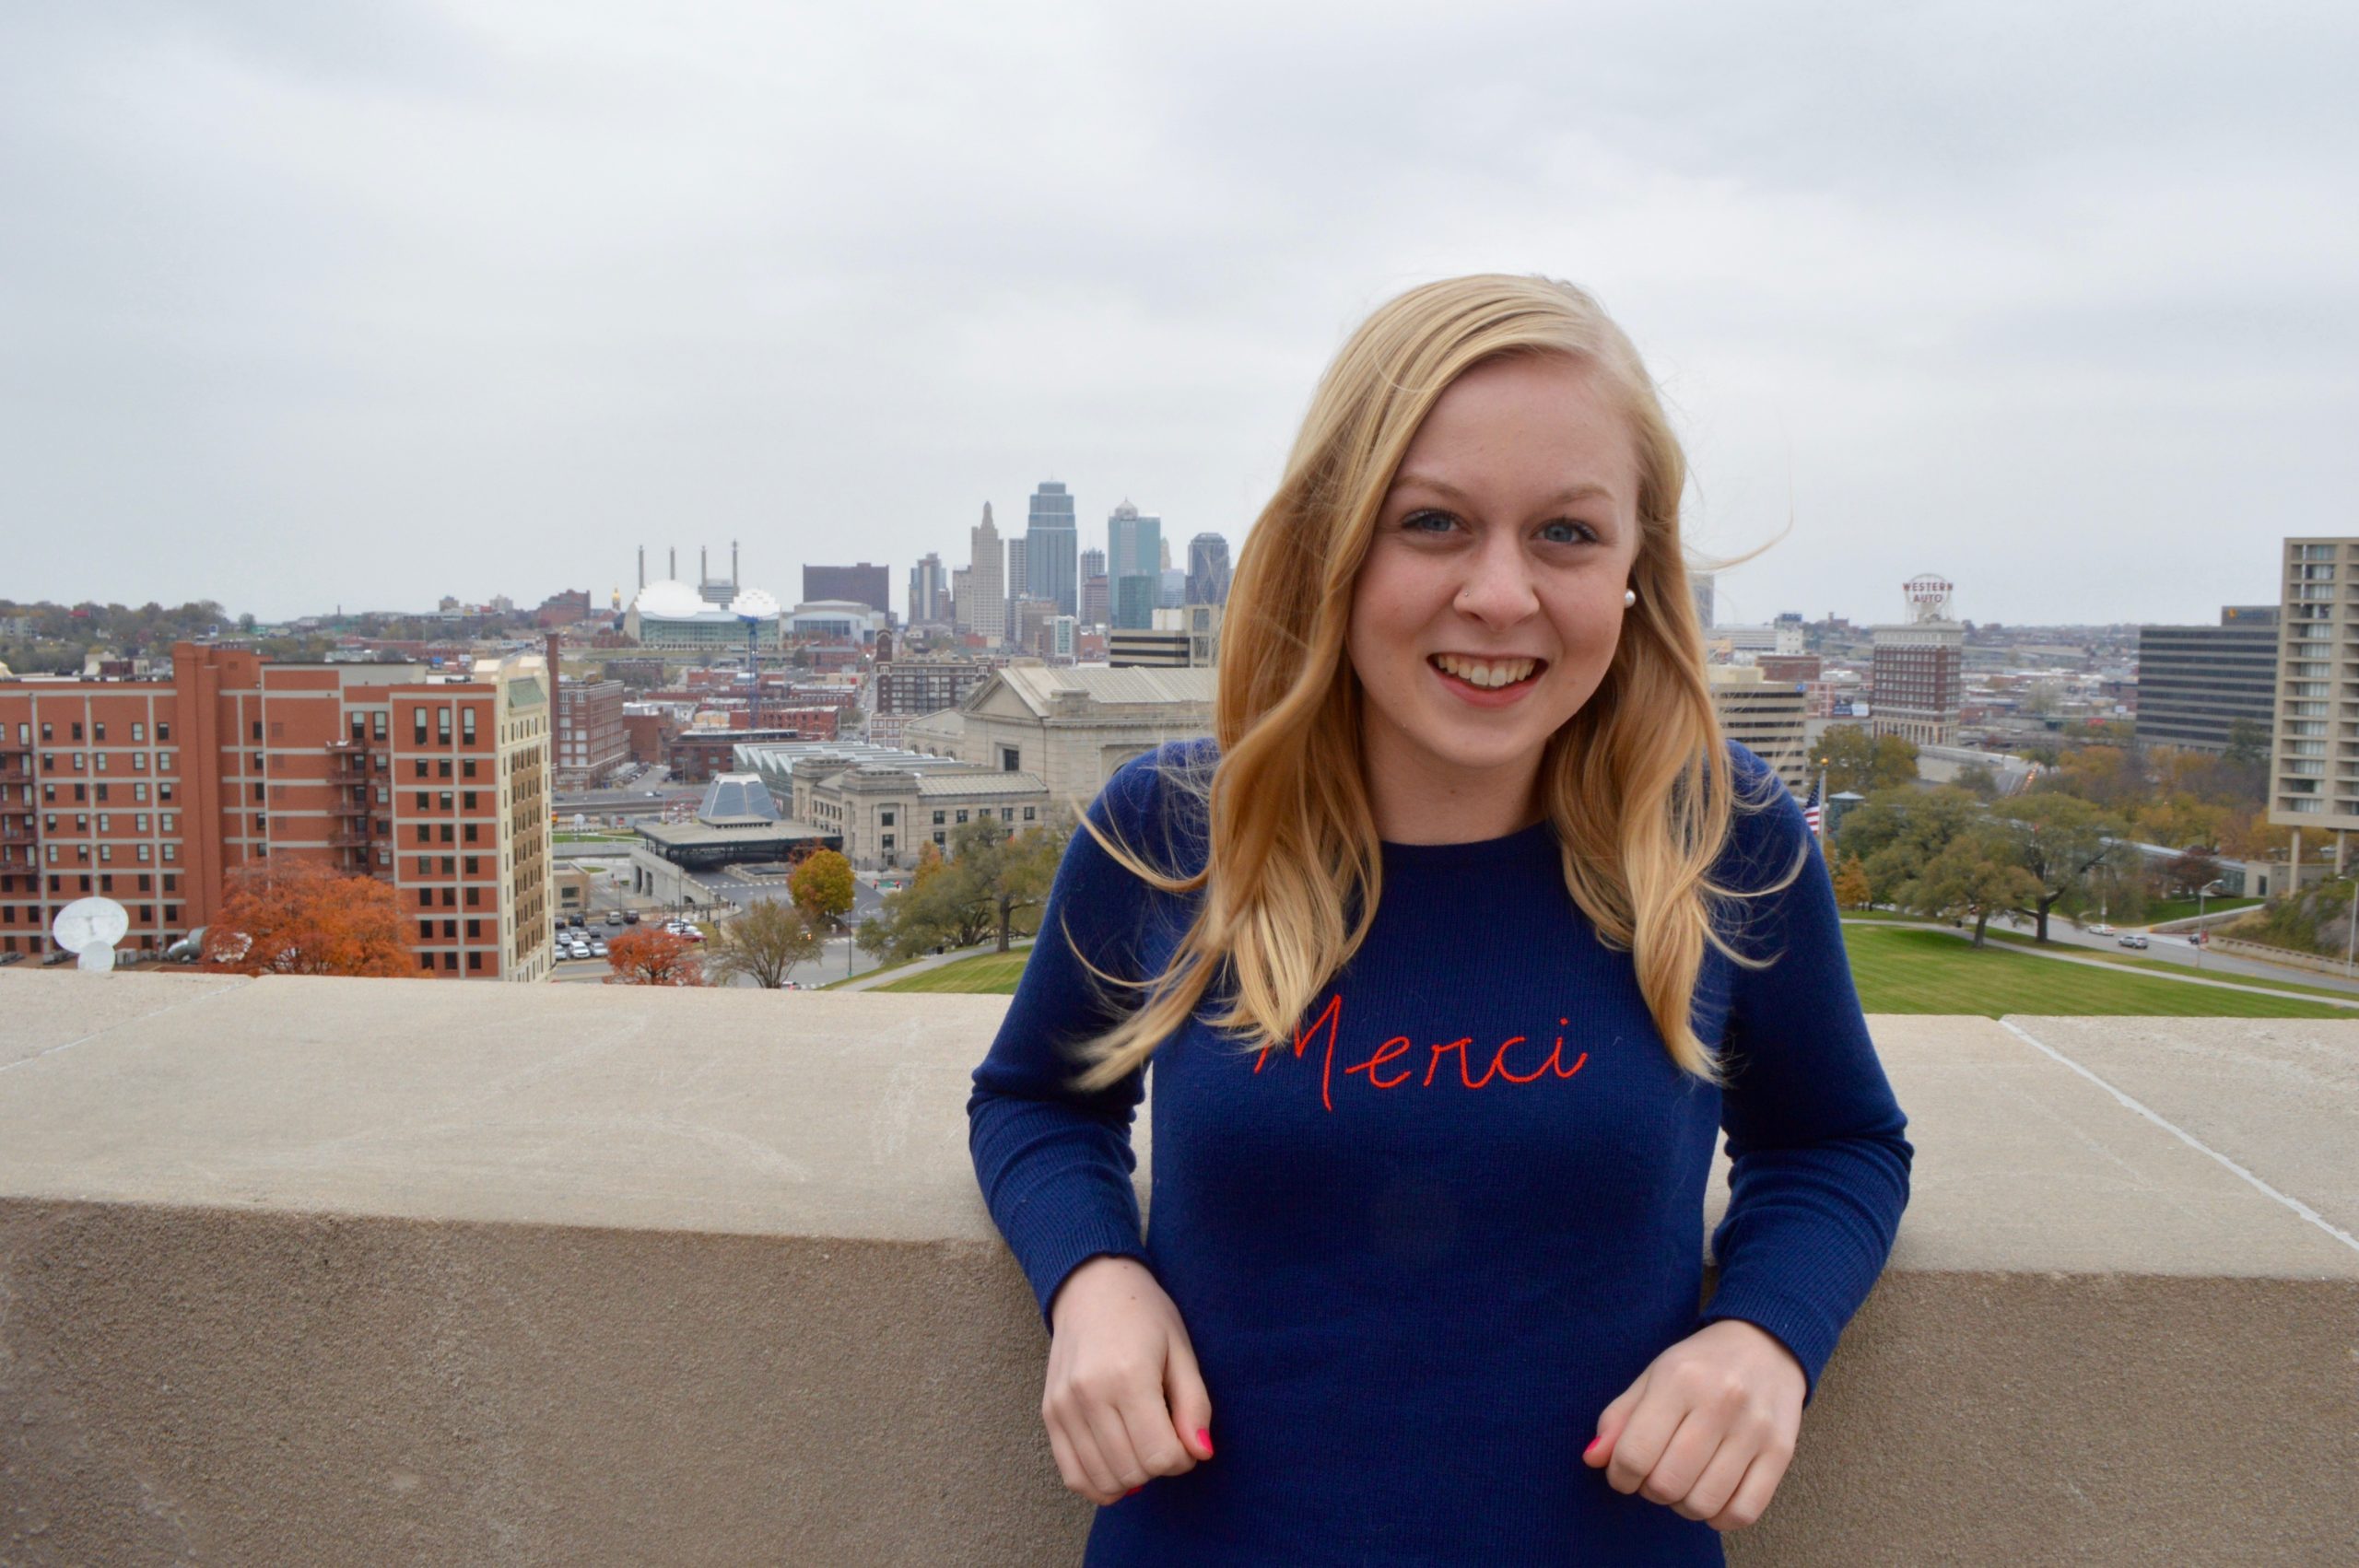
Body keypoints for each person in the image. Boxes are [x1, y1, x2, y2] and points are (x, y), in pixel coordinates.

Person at [967, 274, 1912, 1566]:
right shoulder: (1176, 830)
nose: (1501, 595)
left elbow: (1837, 1141)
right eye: (1434, 523)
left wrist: (1765, 1332)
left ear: (1638, 564)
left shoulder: (1720, 840)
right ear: (1334, 548)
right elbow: (1036, 1099)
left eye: (1568, 535)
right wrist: (1093, 1276)